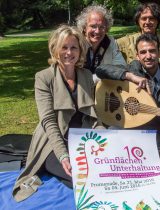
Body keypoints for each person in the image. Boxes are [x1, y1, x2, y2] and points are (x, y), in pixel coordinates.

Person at [13, 25, 102, 202]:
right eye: (64, 47)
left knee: (105, 171)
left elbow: (93, 115)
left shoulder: (85, 75)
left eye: (74, 47)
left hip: (81, 139)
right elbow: (49, 122)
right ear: (55, 49)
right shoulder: (43, 78)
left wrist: (103, 139)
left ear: (80, 50)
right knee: (82, 178)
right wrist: (63, 155)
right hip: (53, 143)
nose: (69, 52)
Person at [96, 33, 160, 160]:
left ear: (159, 53)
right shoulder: (132, 69)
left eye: (152, 51)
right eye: (143, 52)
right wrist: (130, 76)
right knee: (112, 131)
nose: (148, 56)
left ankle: (134, 150)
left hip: (158, 129)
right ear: (137, 55)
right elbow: (101, 70)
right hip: (132, 127)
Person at [116, 2, 160, 68]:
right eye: (144, 18)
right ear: (138, 21)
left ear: (157, 21)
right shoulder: (127, 41)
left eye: (151, 18)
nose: (147, 22)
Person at [76, 5, 126, 82]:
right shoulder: (76, 44)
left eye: (102, 27)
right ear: (84, 28)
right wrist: (105, 75)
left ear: (106, 29)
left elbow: (121, 67)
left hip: (104, 89)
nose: (97, 31)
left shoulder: (109, 42)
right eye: (93, 26)